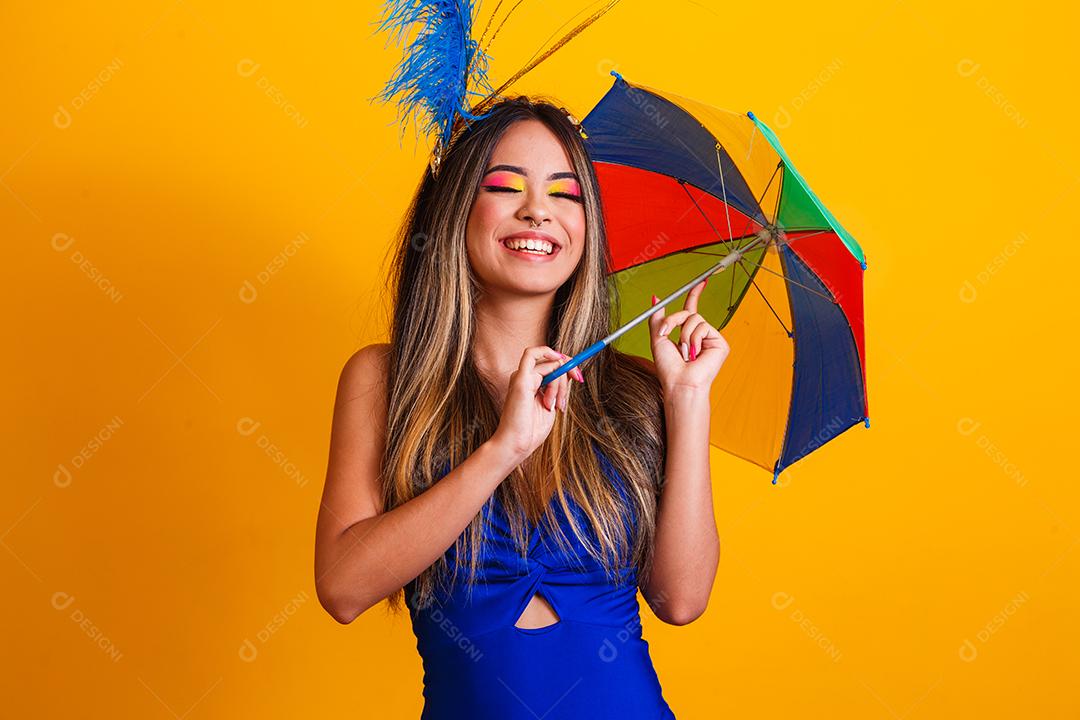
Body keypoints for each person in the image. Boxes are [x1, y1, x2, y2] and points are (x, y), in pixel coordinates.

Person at [314, 94, 729, 719]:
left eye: (567, 194)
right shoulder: (385, 380)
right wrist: (502, 448)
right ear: (455, 210)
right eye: (507, 186)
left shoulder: (637, 390)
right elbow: (343, 587)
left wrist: (688, 402)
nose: (538, 211)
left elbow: (682, 599)